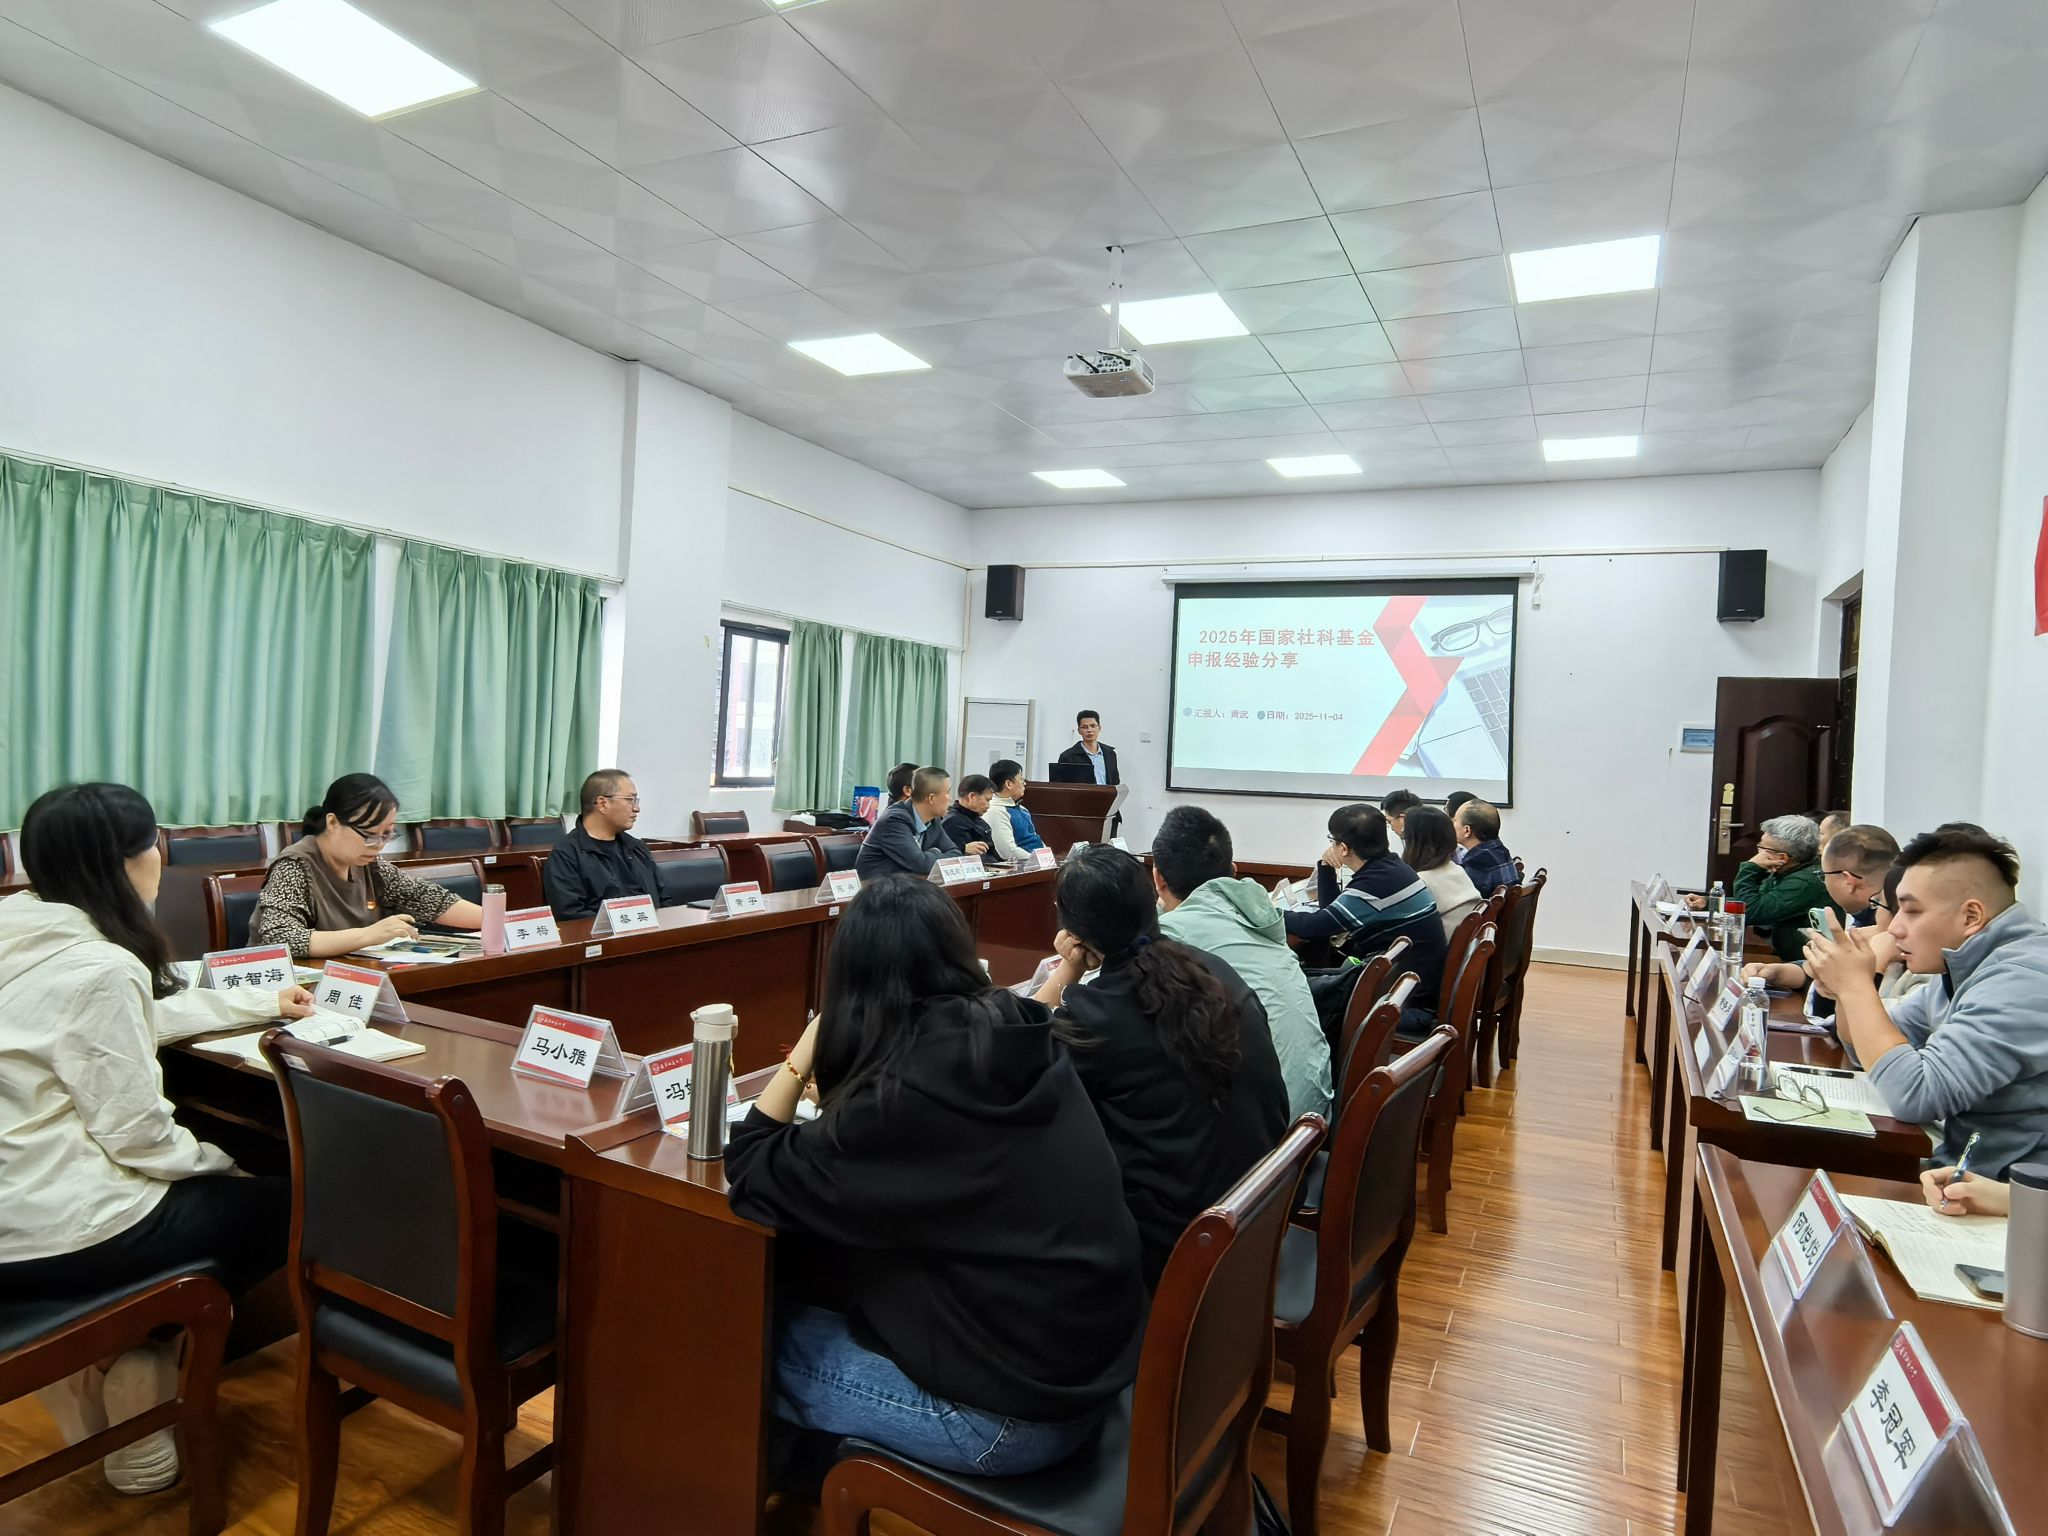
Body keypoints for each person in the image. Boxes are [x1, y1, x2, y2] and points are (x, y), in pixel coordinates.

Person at [724, 878, 1144, 1476]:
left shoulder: (905, 1098)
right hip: (1087, 1371)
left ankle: (802, 1479)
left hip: (1006, 1421)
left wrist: (807, 1049)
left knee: (733, 1331)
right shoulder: (1016, 1029)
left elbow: (750, 1164)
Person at [0, 784, 307, 1494]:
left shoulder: (22, 931)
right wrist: (218, 1165)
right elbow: (138, 1135)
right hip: (54, 1233)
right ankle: (138, 1360)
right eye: (154, 845)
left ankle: (103, 1371)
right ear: (126, 862)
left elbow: (112, 1025)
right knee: (285, 1203)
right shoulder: (100, 967)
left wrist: (259, 1001)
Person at [1035, 846, 1288, 1286]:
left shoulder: (1096, 1017)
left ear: (1073, 930)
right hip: (1260, 1208)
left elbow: (1015, 1045)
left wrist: (1068, 969)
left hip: (1181, 1245)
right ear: (1151, 897)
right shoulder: (1213, 969)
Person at [1806, 823, 2048, 1178]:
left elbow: (1916, 1095)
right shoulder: (1966, 964)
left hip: (2009, 1195)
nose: (1895, 928)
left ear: (1971, 916)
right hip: (1956, 1172)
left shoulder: (2023, 980)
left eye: (1912, 911)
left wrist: (1856, 987)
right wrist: (1845, 988)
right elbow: (1864, 1050)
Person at [1151, 807, 1332, 1120]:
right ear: (1233, 870)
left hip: (1266, 1133)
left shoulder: (1169, 937)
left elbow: (1090, 1001)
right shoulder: (1260, 916)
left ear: (1158, 878)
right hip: (1312, 1115)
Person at [249, 774, 486, 959]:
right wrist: (368, 935)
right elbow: (280, 938)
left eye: (387, 835)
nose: (378, 845)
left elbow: (428, 900)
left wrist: (497, 920)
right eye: (369, 835)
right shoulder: (295, 866)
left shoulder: (369, 865)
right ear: (333, 822)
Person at [1286, 803, 1448, 1036]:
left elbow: (1315, 927)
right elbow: (1331, 915)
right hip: (1408, 992)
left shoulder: (1374, 885)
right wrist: (1326, 867)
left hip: (1406, 1007)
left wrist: (1264, 912)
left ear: (1343, 848)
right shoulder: (1394, 869)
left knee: (1294, 992)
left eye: (1332, 840)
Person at [1743, 824, 1898, 1005]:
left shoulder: (1887, 928)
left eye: (1823, 875)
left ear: (1849, 881)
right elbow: (1820, 971)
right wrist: (1778, 972)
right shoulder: (1864, 917)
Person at [542, 769, 666, 922]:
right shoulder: (566, 854)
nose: (636, 808)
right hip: (604, 935)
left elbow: (663, 899)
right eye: (630, 799)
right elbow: (570, 914)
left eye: (636, 800)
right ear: (602, 804)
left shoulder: (637, 848)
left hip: (651, 930)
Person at [1724, 814, 1839, 962]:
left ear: (1782, 857)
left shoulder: (1804, 882)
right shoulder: (1790, 869)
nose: (1758, 852)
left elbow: (1750, 912)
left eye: (1763, 848)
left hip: (1803, 963)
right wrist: (1709, 904)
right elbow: (1759, 899)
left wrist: (1750, 868)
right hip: (1783, 953)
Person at [855, 767, 962, 882]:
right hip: (879, 886)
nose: (950, 799)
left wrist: (928, 856)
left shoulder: (932, 819)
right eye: (947, 793)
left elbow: (955, 853)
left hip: (909, 883)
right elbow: (921, 864)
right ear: (931, 798)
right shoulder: (894, 820)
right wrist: (935, 852)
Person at [1400, 806, 1483, 940]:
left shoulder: (1420, 882)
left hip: (1441, 950)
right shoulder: (1456, 869)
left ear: (1414, 842)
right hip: (1465, 949)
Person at [1451, 799, 1517, 899]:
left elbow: (1462, 901)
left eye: (1455, 821)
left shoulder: (1477, 863)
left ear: (1467, 830)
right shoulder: (1501, 851)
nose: (1451, 825)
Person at [985, 760, 1046, 864]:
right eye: (1021, 779)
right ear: (1009, 784)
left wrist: (1047, 857)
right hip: (1021, 866)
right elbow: (1007, 851)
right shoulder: (995, 811)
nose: (1024, 783)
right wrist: (1038, 861)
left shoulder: (1022, 809)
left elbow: (1035, 838)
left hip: (1037, 863)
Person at [941, 775, 999, 866]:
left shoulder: (981, 823)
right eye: (987, 800)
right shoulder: (952, 822)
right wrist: (963, 849)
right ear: (972, 796)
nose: (988, 806)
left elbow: (993, 855)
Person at [1057, 710, 1119, 786]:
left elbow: (1115, 782)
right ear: (1079, 731)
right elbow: (1061, 786)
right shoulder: (1068, 757)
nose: (1089, 730)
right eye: (1084, 727)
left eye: (1093, 726)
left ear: (1099, 728)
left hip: (1106, 794)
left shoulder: (1110, 754)